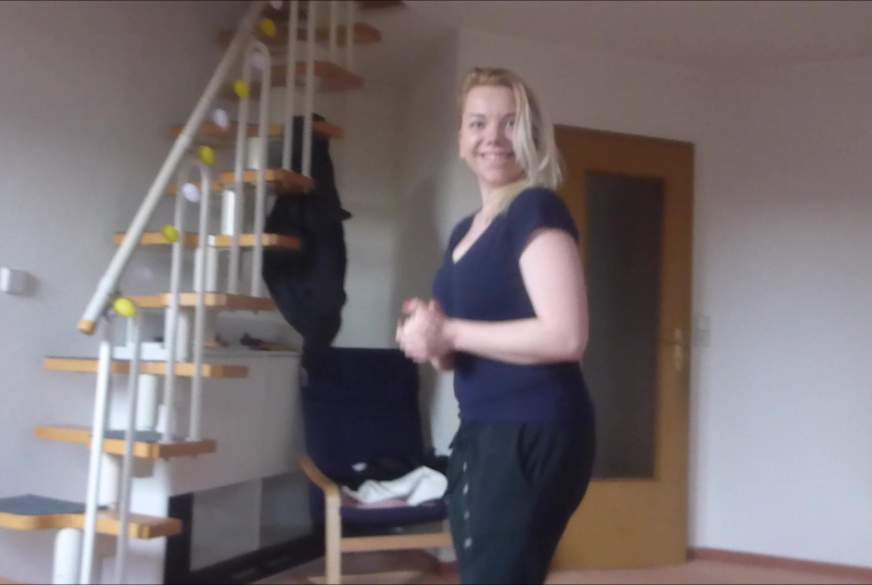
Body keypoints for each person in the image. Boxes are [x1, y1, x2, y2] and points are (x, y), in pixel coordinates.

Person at [395, 67, 597, 584]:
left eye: (511, 123)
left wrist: (451, 332)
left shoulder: (535, 208)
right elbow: (455, 352)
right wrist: (429, 337)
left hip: (532, 428)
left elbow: (566, 336)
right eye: (478, 123)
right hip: (483, 429)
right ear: (461, 138)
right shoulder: (465, 230)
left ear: (532, 136)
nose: (494, 137)